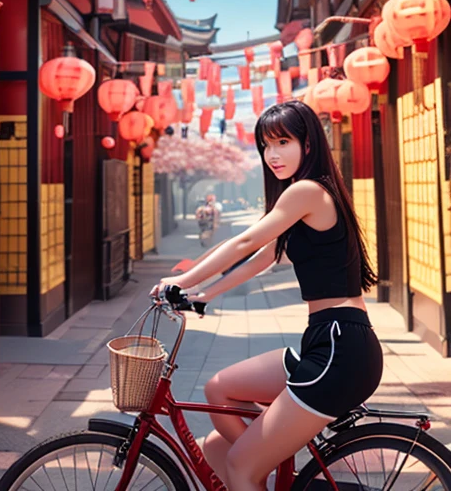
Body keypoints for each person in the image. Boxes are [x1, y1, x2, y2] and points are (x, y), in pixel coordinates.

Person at [152, 101, 383, 491]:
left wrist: (179, 281)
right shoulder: (306, 197)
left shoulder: (307, 192)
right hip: (325, 341)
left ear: (308, 144)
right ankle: (270, 459)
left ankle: (258, 463)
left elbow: (245, 241)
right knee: (217, 408)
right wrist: (202, 294)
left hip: (341, 350)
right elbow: (261, 260)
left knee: (242, 465)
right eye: (265, 145)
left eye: (282, 142)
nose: (271, 155)